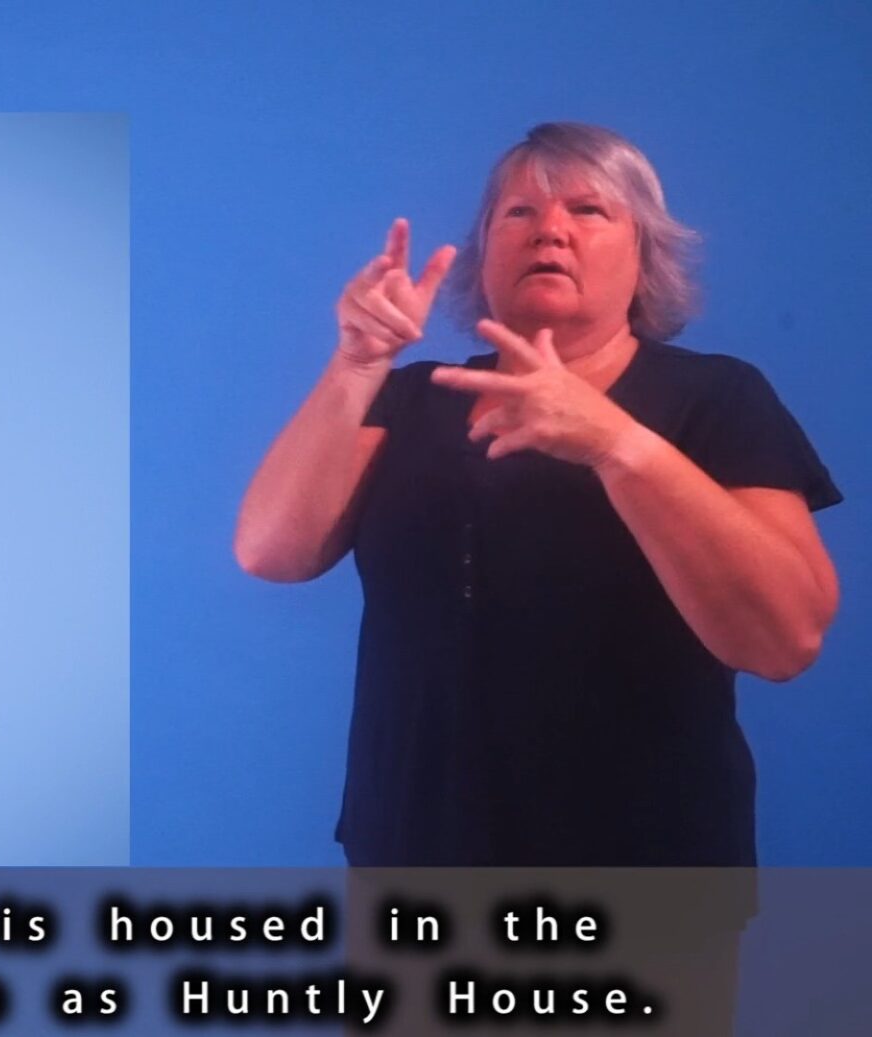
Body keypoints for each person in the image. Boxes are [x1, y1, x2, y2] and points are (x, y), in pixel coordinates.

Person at [234, 123, 840, 866]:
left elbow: (784, 640)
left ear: (644, 252)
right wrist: (357, 361)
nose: (549, 229)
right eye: (517, 212)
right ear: (485, 251)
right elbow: (271, 550)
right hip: (416, 855)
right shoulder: (410, 400)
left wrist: (617, 444)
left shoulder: (715, 398)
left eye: (589, 211)